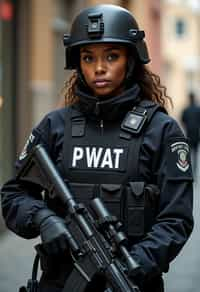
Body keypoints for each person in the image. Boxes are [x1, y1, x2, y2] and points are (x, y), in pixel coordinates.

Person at [1, 4, 194, 292]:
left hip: (132, 280)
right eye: (88, 57)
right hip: (60, 281)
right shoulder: (55, 126)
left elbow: (176, 219)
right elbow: (13, 195)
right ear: (78, 63)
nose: (99, 68)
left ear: (130, 60)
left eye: (112, 56)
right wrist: (43, 219)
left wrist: (135, 267)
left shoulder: (160, 131)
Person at [181, 91, 200, 176]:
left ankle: (189, 170)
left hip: (189, 134)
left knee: (187, 153)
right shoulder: (198, 109)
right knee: (195, 153)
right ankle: (194, 170)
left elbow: (183, 120)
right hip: (196, 134)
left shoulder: (186, 110)